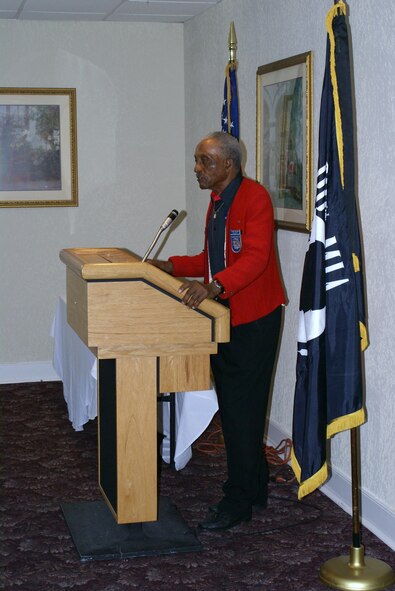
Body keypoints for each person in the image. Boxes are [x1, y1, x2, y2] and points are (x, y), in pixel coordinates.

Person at [150, 131, 286, 531]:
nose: (197, 168)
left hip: (253, 320)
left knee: (241, 411)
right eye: (197, 160)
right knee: (237, 409)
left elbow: (256, 259)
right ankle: (255, 487)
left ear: (229, 164)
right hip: (224, 316)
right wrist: (170, 266)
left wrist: (213, 287)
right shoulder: (217, 201)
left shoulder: (253, 197)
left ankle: (237, 500)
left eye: (204, 161)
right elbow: (212, 259)